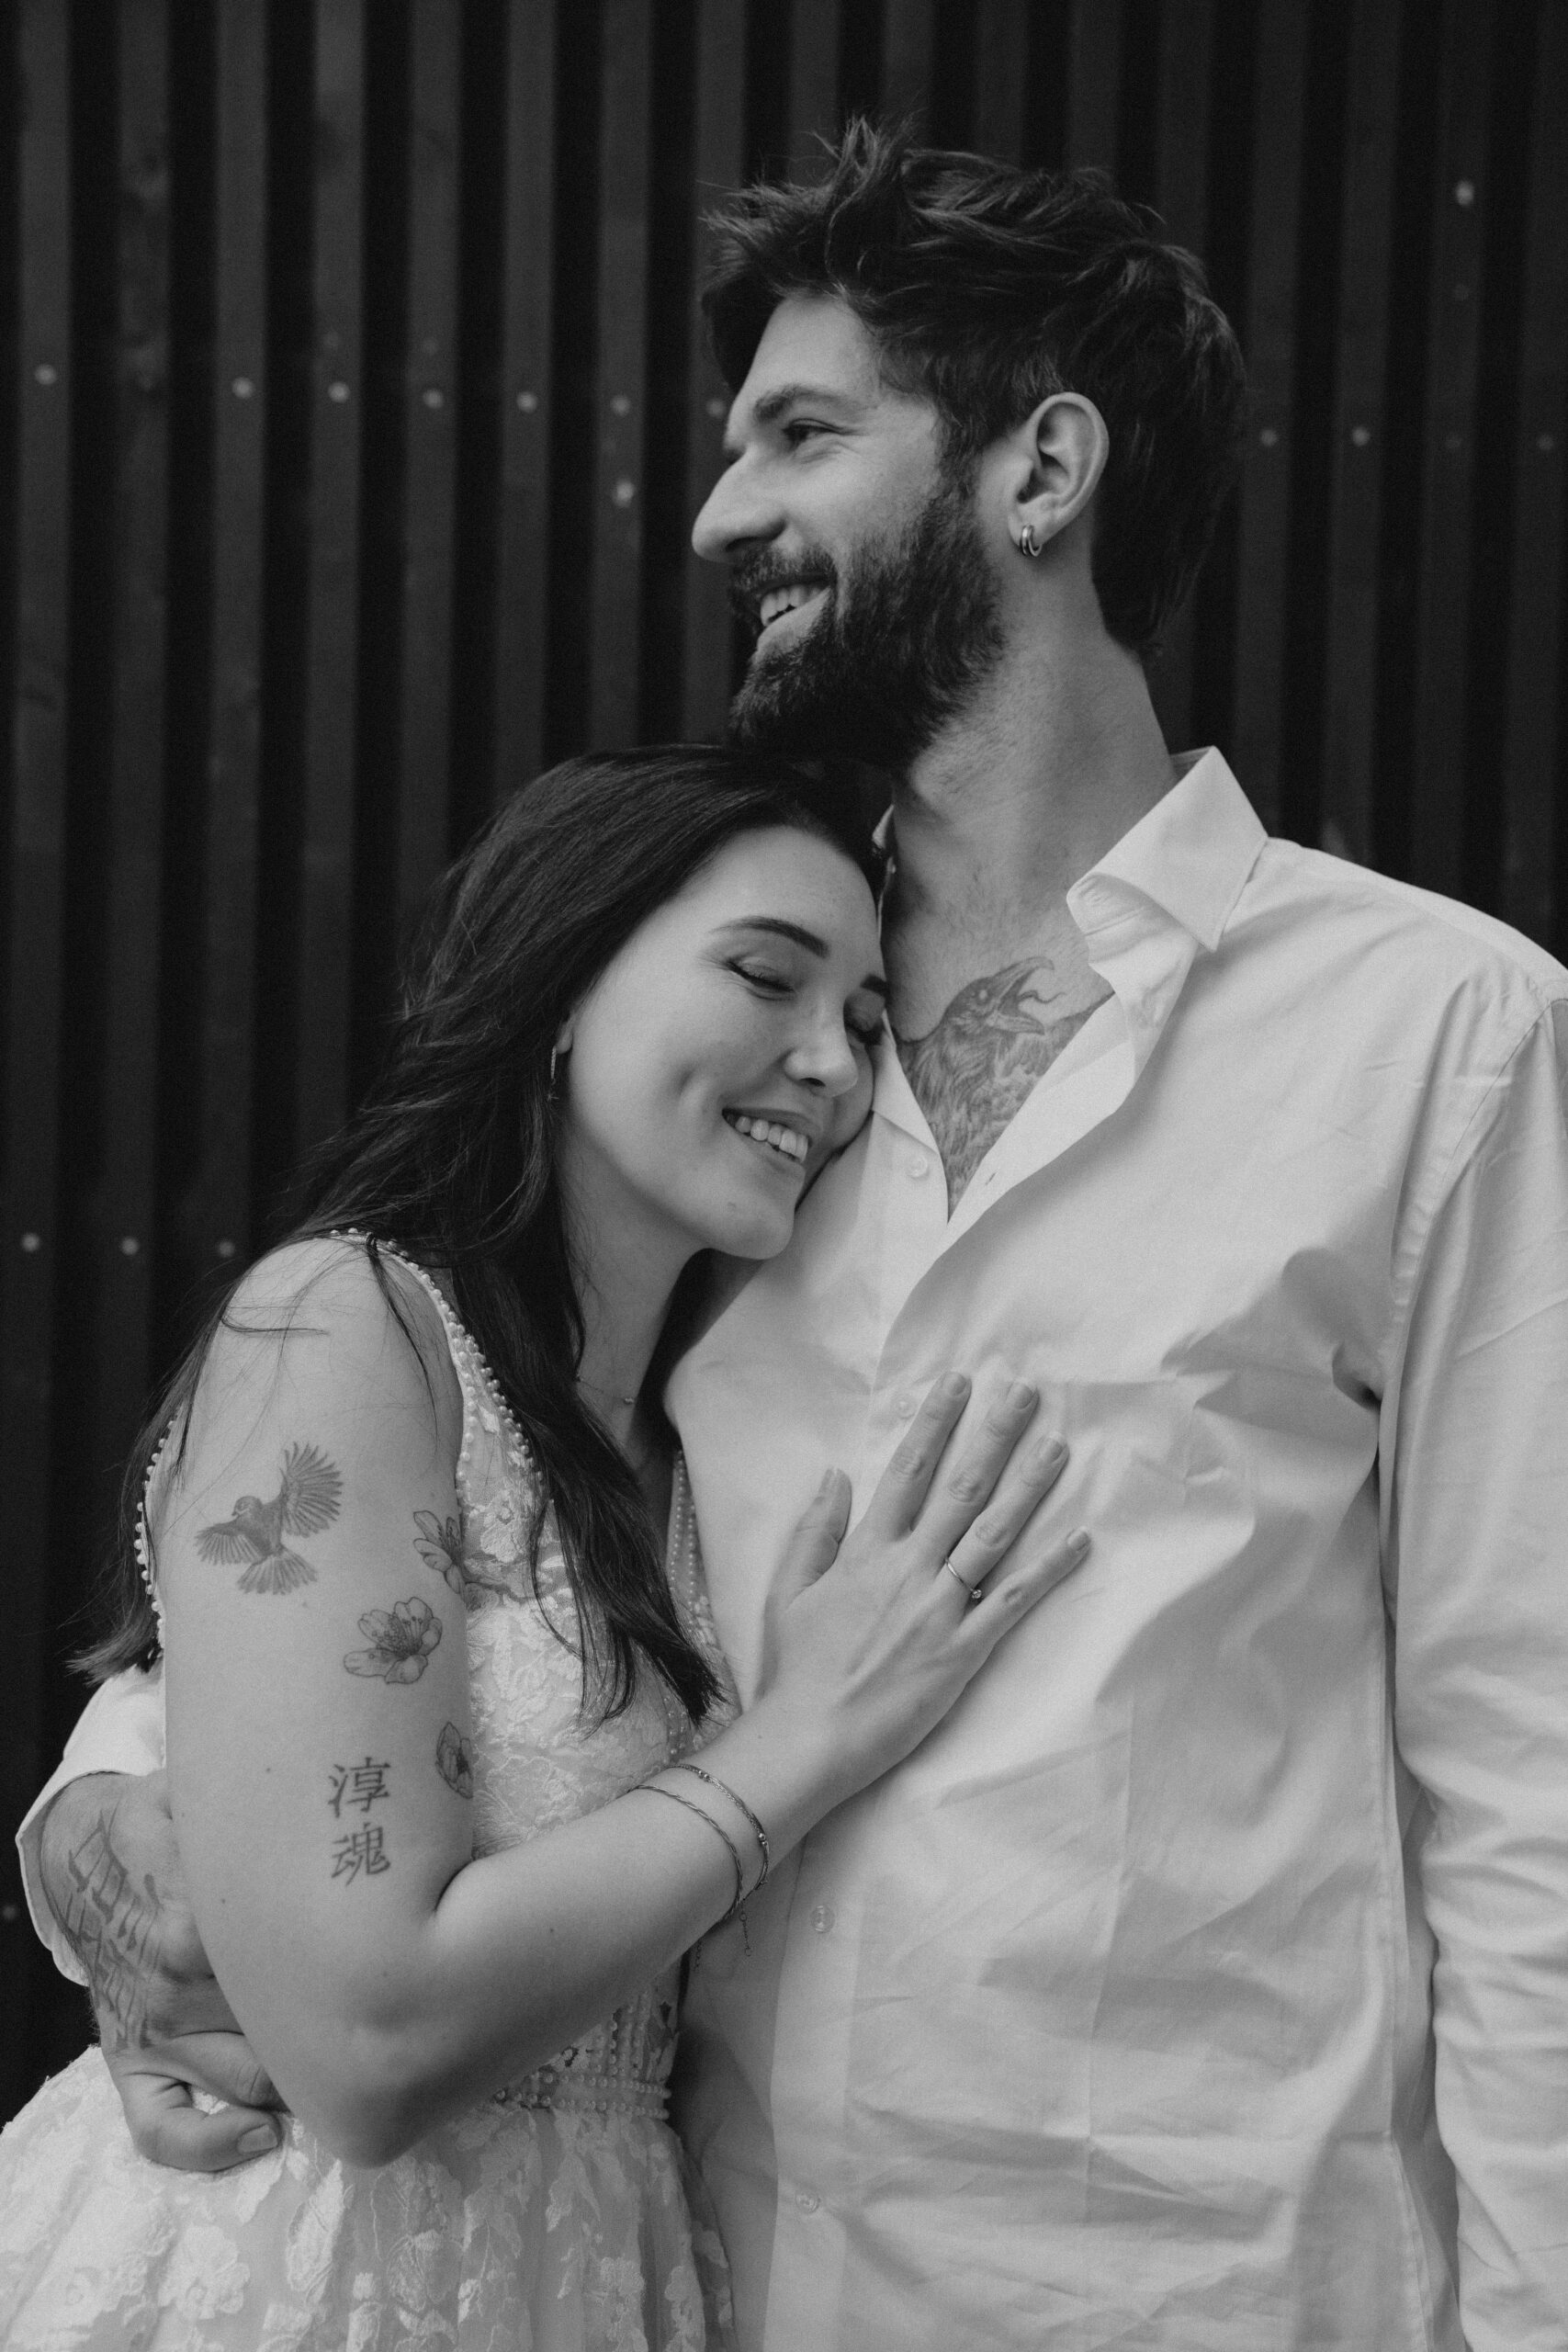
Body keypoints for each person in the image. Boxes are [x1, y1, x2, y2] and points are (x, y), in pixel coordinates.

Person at [17, 118, 1568, 2349]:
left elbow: (1528, 1785)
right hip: (711, 2279)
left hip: (1211, 2290)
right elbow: (431, 1497)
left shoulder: (1439, 1034)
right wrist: (104, 1840)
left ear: (1040, 470)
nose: (716, 513)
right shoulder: (712, 1062)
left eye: (802, 435)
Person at [1, 743, 1088, 2349]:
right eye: (765, 976)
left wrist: (85, 1826)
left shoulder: (714, 1430)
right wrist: (804, 1738)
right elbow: (364, 2051)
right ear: (561, 984)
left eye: (867, 1024)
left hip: (594, 2278)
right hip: (295, 2270)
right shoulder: (350, 1329)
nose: (831, 1067)